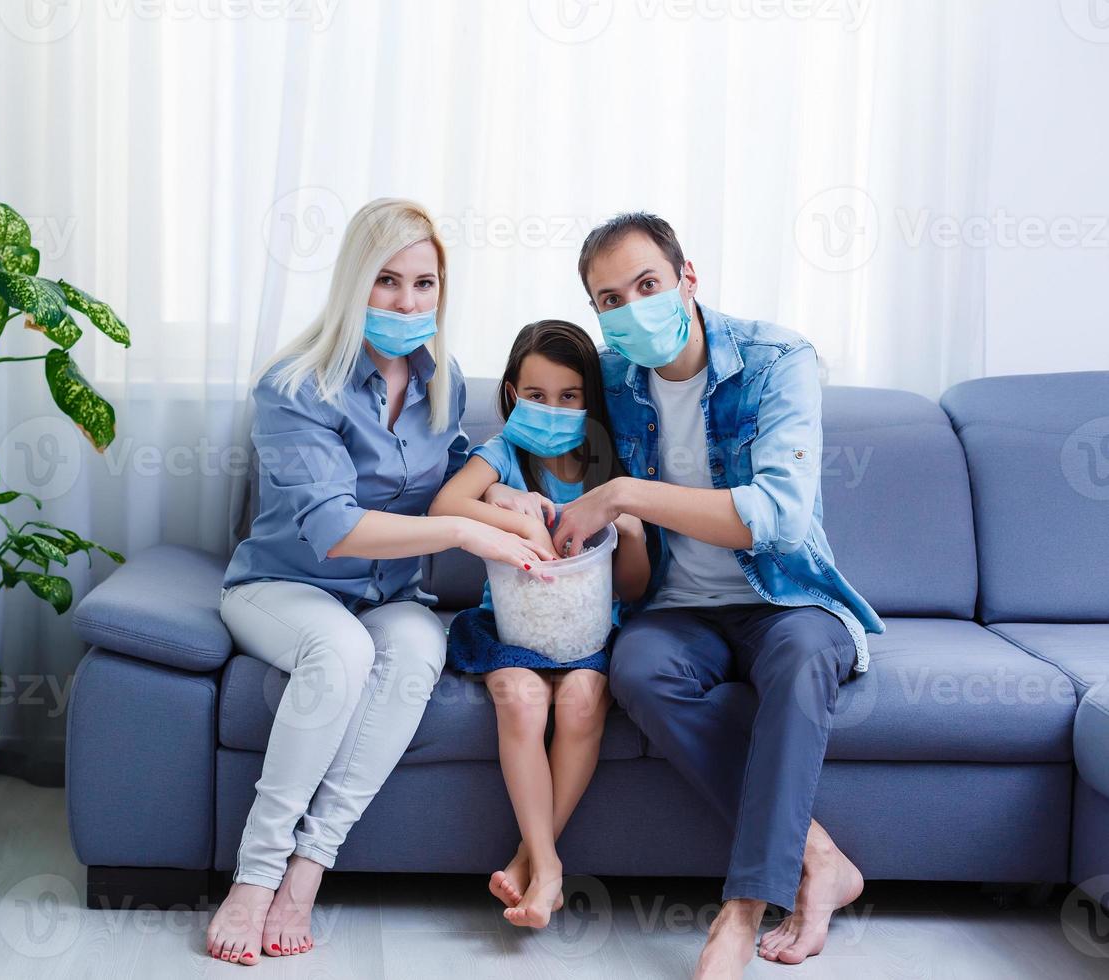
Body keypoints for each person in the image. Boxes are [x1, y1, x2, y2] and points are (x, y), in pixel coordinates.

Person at [499, 212, 883, 979]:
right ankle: (820, 857)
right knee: (636, 670)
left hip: (785, 598)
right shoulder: (609, 379)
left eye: (647, 285)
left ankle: (740, 915)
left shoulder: (779, 359)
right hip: (676, 608)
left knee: (805, 659)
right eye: (609, 299)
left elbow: (777, 516)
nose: (632, 308)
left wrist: (621, 493)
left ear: (687, 279)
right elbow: (527, 429)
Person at [208, 198, 555, 966]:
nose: (407, 302)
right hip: (284, 588)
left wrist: (500, 495)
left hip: (392, 597)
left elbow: (453, 459)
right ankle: (256, 876)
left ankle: (309, 868)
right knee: (339, 652)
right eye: (387, 282)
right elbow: (334, 531)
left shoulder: (444, 380)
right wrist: (466, 530)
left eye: (424, 284)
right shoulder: (295, 385)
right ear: (354, 284)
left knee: (417, 648)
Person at [430, 319, 650, 929]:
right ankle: (550, 869)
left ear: (589, 401)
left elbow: (631, 588)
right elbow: (445, 507)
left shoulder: (609, 468)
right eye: (536, 395)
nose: (552, 409)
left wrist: (628, 529)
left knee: (581, 702)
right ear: (509, 394)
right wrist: (501, 499)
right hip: (511, 629)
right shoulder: (501, 454)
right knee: (521, 700)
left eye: (569, 396)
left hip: (589, 633)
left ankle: (532, 860)